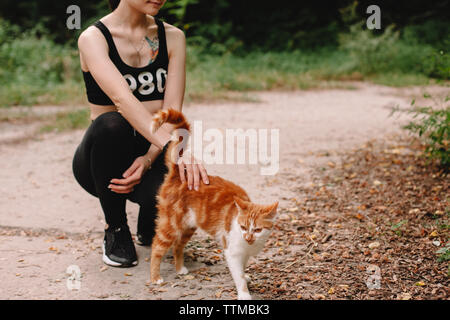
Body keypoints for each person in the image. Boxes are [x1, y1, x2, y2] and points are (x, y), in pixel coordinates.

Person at [72, 0, 209, 268]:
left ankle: (150, 219)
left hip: (154, 148)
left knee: (186, 189)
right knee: (112, 123)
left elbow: (171, 113)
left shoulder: (173, 37)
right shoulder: (93, 38)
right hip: (103, 161)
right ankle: (116, 230)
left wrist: (149, 158)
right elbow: (122, 101)